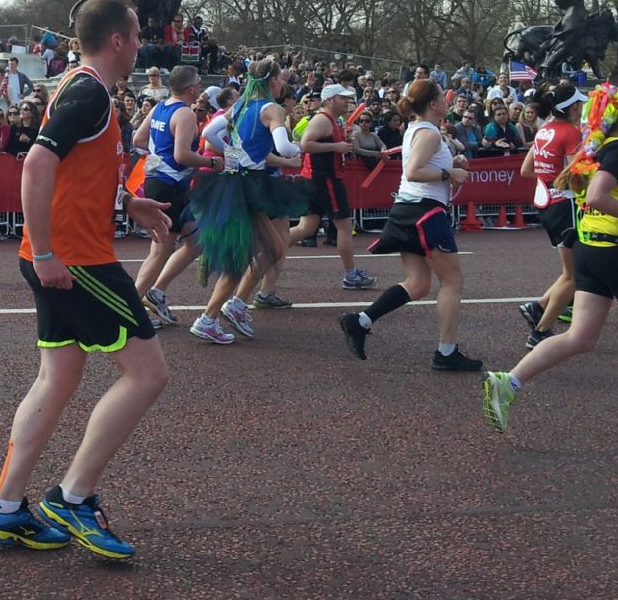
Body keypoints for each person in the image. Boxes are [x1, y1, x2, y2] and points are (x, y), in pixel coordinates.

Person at [0, 0, 173, 560]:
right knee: (148, 374)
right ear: (118, 40)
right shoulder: (88, 92)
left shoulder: (84, 89)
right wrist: (45, 254)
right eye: (136, 36)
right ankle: (73, 497)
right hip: (77, 262)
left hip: (67, 255)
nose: (140, 46)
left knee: (57, 378)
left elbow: (76, 170)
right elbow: (37, 163)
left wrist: (128, 202)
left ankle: (6, 509)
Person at [484, 86, 618, 448]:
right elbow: (600, 195)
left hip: (591, 248)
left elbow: (597, 195)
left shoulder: (598, 149)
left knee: (580, 337)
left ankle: (508, 382)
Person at [338, 79, 482, 371]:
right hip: (425, 212)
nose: (447, 101)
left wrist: (449, 164)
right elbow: (414, 171)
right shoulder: (428, 133)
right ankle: (446, 352)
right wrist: (448, 173)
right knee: (453, 282)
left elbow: (418, 167)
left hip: (408, 210)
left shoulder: (419, 130)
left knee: (417, 284)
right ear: (432, 104)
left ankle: (361, 321)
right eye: (443, 97)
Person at [187, 59, 308, 343]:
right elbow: (282, 146)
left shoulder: (240, 106)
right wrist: (297, 151)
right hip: (249, 186)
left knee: (274, 247)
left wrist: (232, 151)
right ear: (274, 81)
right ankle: (209, 317)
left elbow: (208, 134)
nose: (281, 83)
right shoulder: (271, 108)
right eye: (280, 79)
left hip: (237, 182)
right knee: (243, 256)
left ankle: (234, 306)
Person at [130, 65, 220, 330]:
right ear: (191, 88)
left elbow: (138, 138)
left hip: (168, 184)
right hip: (168, 186)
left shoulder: (160, 107)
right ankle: (131, 311)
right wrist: (211, 162)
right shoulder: (185, 113)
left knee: (197, 241)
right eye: (199, 83)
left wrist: (158, 155)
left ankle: (156, 291)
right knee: (159, 251)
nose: (201, 87)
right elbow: (182, 156)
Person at [285, 83, 378, 291]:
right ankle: (350, 275)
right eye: (342, 98)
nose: (347, 101)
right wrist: (336, 146)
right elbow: (306, 145)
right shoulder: (322, 120)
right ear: (330, 100)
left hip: (317, 178)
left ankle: (266, 254)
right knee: (345, 227)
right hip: (325, 179)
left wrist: (340, 144)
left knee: (306, 227)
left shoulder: (332, 121)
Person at [516, 82, 587, 349]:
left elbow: (526, 169)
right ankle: (541, 330)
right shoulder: (571, 132)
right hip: (564, 206)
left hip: (546, 203)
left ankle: (538, 307)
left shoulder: (543, 130)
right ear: (571, 107)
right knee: (574, 274)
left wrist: (551, 178)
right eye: (578, 104)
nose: (581, 108)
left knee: (571, 271)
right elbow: (575, 175)